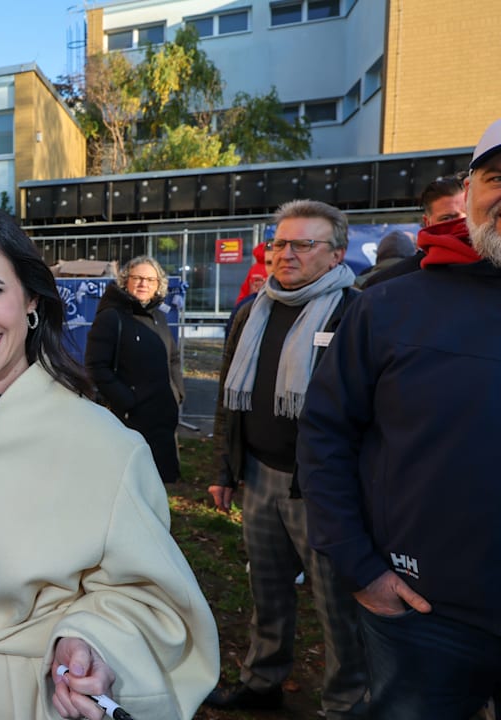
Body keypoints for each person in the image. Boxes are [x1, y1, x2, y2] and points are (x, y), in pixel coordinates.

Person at [0, 207, 219, 720]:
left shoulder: (106, 446)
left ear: (32, 301)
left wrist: (88, 640)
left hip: (19, 699)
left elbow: (153, 601)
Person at [298, 117, 501, 718]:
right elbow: (326, 434)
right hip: (423, 617)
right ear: (469, 193)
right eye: (498, 177)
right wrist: (362, 570)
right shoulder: (390, 304)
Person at [204, 199, 368, 717]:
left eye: (303, 244)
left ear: (337, 252)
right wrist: (226, 470)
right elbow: (230, 403)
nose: (286, 255)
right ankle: (262, 679)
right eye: (279, 243)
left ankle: (344, 703)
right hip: (259, 477)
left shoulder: (356, 313)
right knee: (267, 591)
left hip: (326, 490)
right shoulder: (253, 311)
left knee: (336, 606)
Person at [85, 255, 184, 483]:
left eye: (150, 280)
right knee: (131, 485)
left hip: (162, 419)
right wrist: (127, 401)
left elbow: (174, 358)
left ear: (158, 285)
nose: (143, 284)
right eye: (137, 278)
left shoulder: (159, 316)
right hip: (130, 421)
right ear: (125, 281)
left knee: (158, 487)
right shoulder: (111, 317)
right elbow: (96, 366)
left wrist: (177, 391)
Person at [364, 174, 467, 288]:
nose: (462, 223)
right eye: (447, 218)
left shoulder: (489, 266)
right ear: (427, 222)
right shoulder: (387, 284)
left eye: (470, 214)